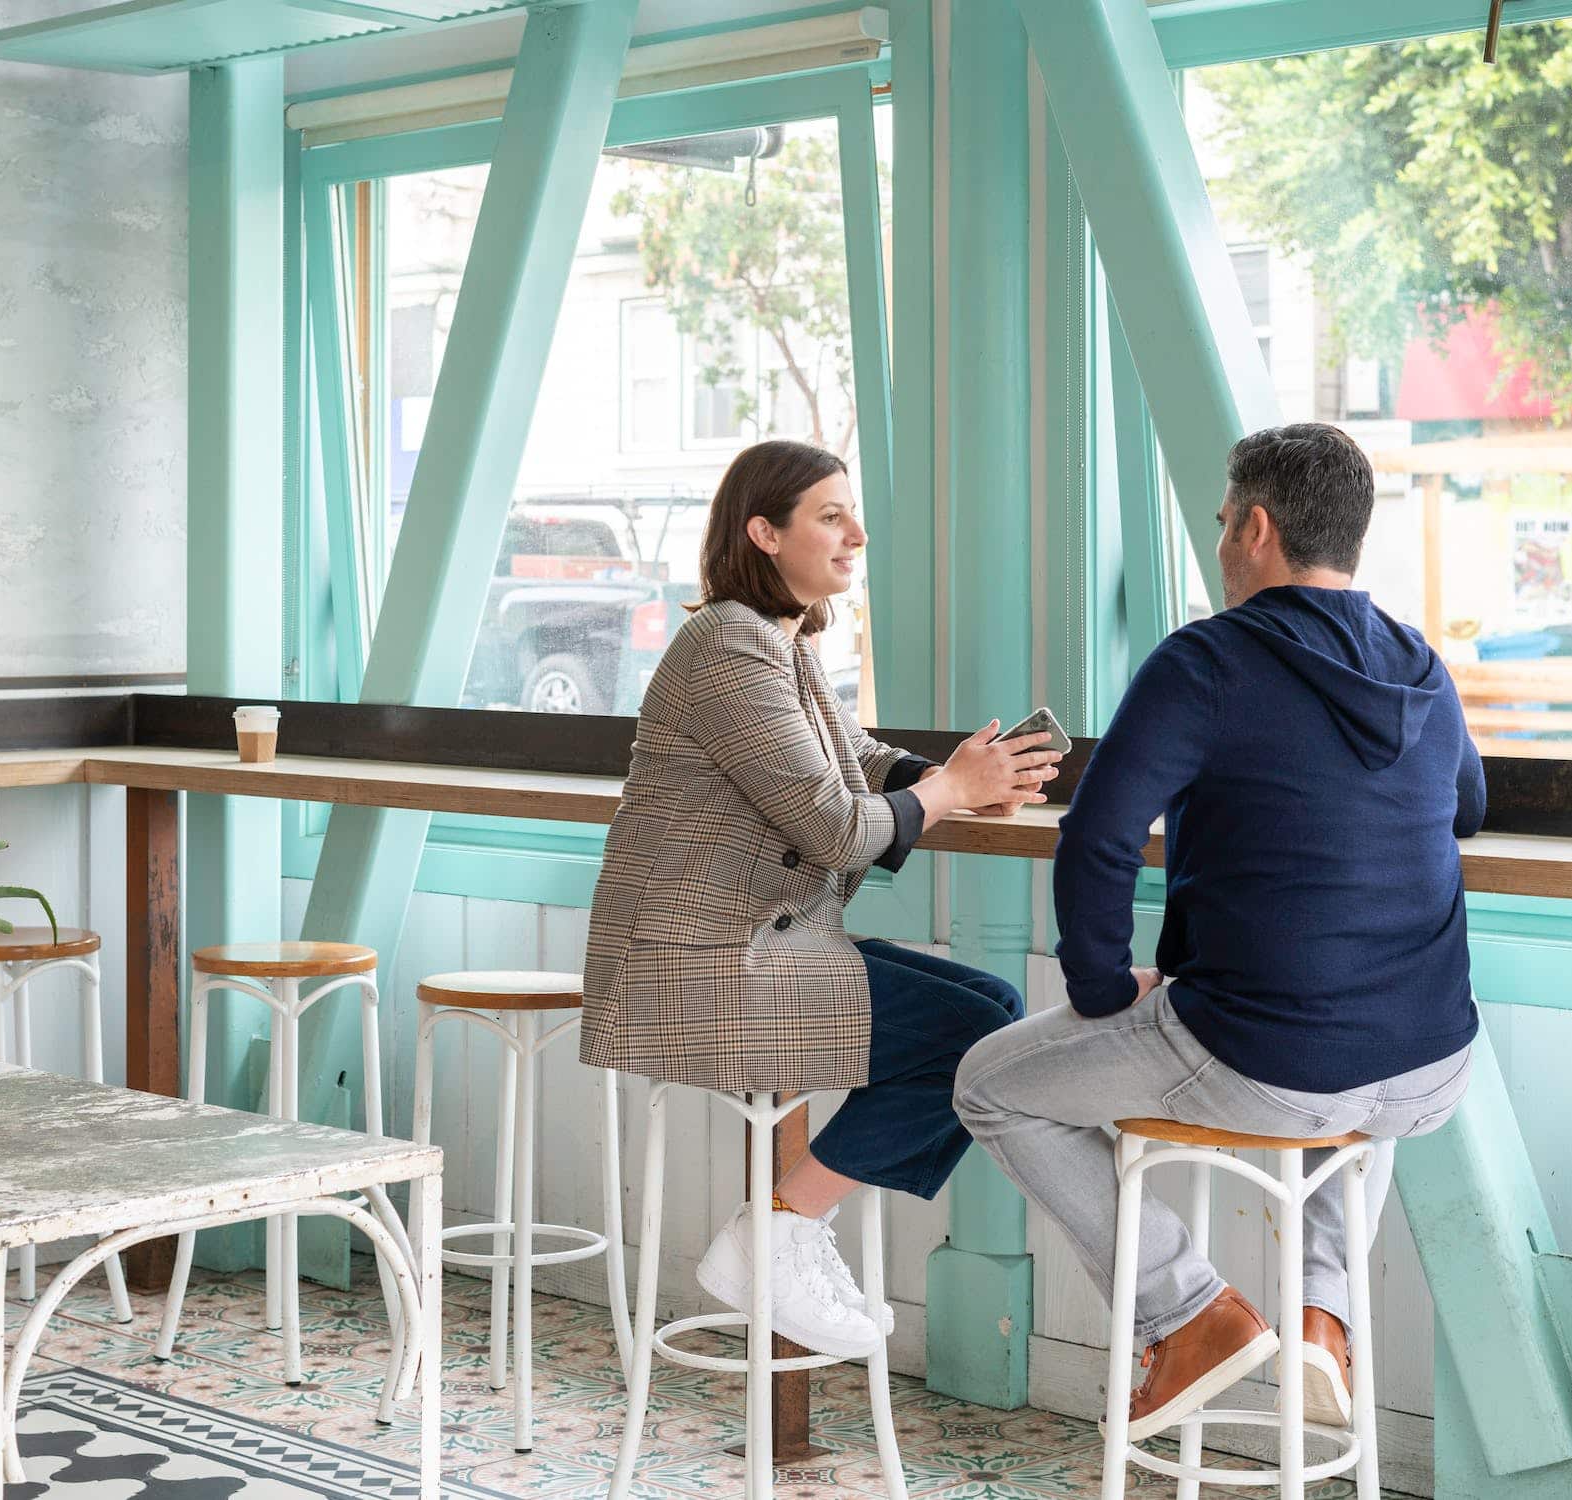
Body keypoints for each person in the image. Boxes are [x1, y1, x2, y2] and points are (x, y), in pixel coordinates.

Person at [953, 422, 1481, 1436]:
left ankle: (1186, 1313)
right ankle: (1321, 1320)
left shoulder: (1206, 658)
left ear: (1254, 526)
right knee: (1352, 1075)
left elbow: (1098, 837)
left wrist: (1104, 991)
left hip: (1266, 1060)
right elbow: (1466, 805)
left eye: (1219, 522)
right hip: (1430, 1067)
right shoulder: (1416, 663)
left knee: (988, 1084)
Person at [582, 438, 1063, 1359]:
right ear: (763, 533)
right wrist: (949, 792)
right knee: (976, 1042)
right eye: (830, 516)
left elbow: (851, 754)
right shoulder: (727, 643)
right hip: (703, 962)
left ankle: (786, 1232)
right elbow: (835, 827)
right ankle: (775, 1236)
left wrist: (956, 775)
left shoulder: (777, 641)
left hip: (755, 940)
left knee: (994, 1012)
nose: (857, 535)